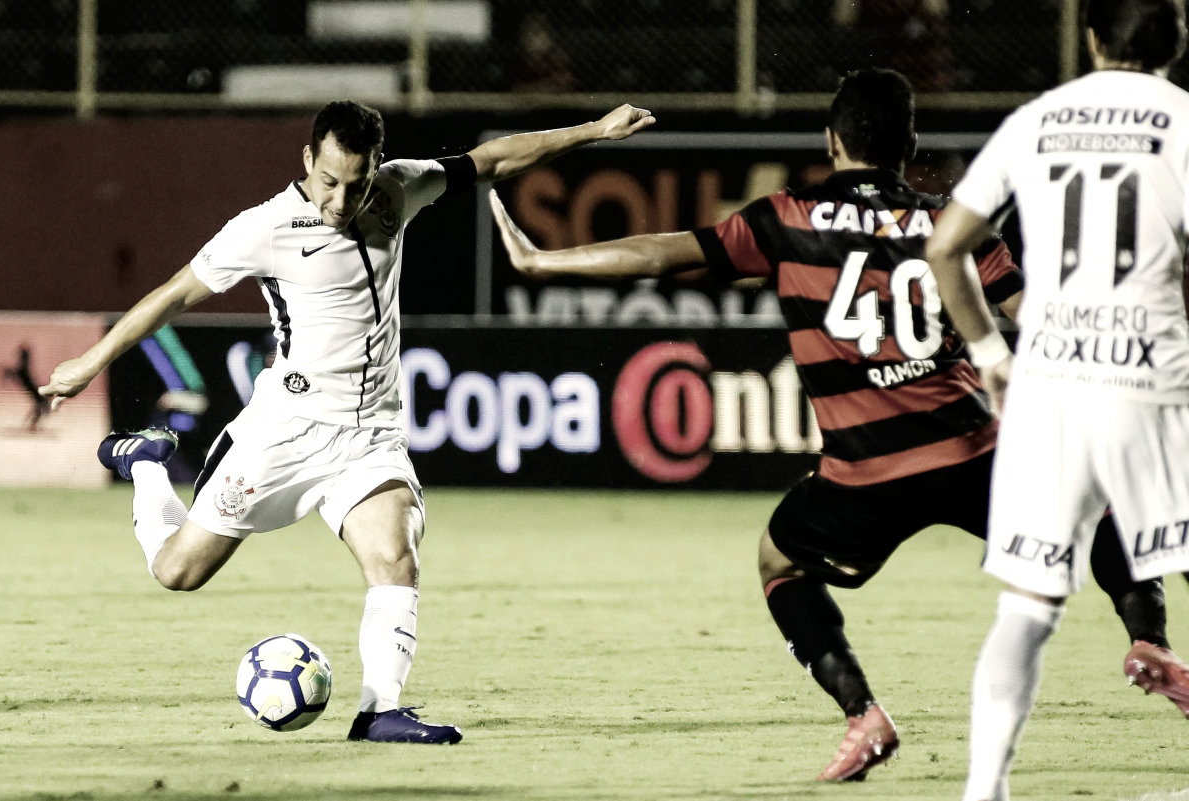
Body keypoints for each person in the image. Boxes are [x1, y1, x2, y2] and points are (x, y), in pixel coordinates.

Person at [489, 68, 1185, 781]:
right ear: (909, 146)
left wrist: (544, 261)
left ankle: (863, 712)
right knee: (1102, 507)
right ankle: (1149, 641)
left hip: (864, 473)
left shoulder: (785, 218)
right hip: (973, 447)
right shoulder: (955, 223)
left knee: (777, 560)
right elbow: (1037, 321)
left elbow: (667, 252)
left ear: (830, 141)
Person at [38, 99, 656, 744]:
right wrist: (91, 359)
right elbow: (172, 294)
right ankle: (144, 466)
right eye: (328, 180)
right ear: (308, 160)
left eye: (355, 183)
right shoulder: (263, 228)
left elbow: (495, 159)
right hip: (285, 433)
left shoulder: (400, 190)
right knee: (176, 573)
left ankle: (378, 710)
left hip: (370, 435)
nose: (340, 199)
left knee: (395, 556)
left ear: (376, 169)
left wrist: (594, 131)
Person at [927, 0, 1189, 798]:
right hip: (1153, 381)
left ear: (1092, 37)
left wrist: (989, 357)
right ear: (1177, 43)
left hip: (1050, 386)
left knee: (1029, 605)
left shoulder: (1036, 120)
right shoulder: (1184, 122)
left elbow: (946, 247)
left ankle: (985, 788)